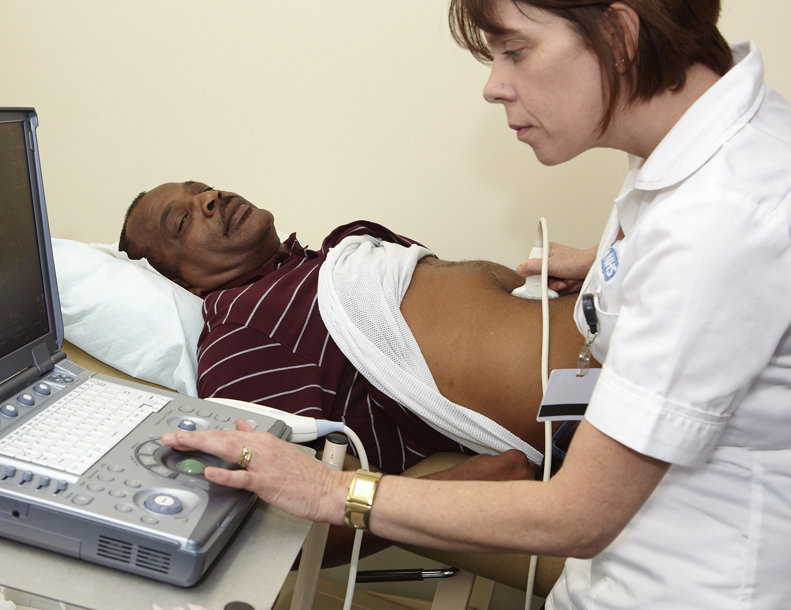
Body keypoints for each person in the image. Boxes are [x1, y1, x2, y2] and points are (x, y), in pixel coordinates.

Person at [159, 0, 791, 610]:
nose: (493, 87)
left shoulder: (726, 217)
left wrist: (331, 489)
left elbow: (580, 513)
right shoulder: (704, 149)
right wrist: (618, 266)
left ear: (620, 37)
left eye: (515, 50)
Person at [119, 182, 586, 476]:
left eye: (201, 187)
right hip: (591, 409)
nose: (209, 197)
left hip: (606, 330)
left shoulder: (327, 259)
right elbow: (276, 513)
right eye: (182, 220)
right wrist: (457, 487)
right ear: (182, 283)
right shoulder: (240, 335)